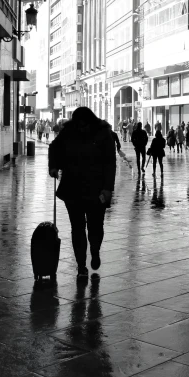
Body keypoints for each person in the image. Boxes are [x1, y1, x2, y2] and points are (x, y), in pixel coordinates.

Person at [48, 107, 116, 279]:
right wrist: (54, 166)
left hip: (97, 189)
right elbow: (54, 147)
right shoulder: (69, 131)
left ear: (91, 122)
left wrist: (108, 188)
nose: (81, 128)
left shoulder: (103, 132)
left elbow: (110, 162)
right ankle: (81, 266)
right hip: (73, 188)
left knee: (96, 226)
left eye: (84, 125)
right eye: (79, 125)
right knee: (77, 228)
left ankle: (94, 249)